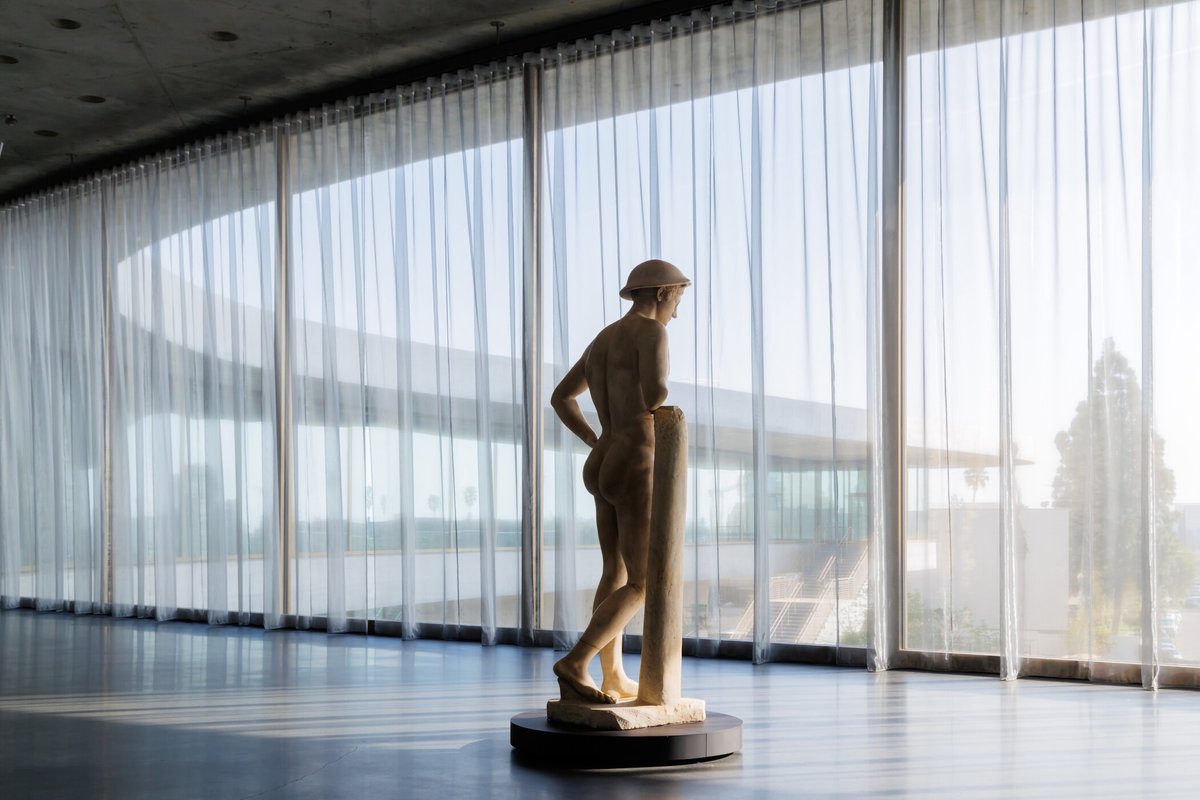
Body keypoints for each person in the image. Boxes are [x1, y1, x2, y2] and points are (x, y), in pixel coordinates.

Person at [549, 259, 690, 704]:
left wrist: (596, 438)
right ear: (663, 293)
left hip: (604, 459)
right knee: (644, 582)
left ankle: (611, 675)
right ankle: (577, 661)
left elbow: (562, 398)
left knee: (616, 571)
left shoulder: (602, 341)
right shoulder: (652, 334)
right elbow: (655, 395)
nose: (677, 312)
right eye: (677, 300)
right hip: (635, 461)